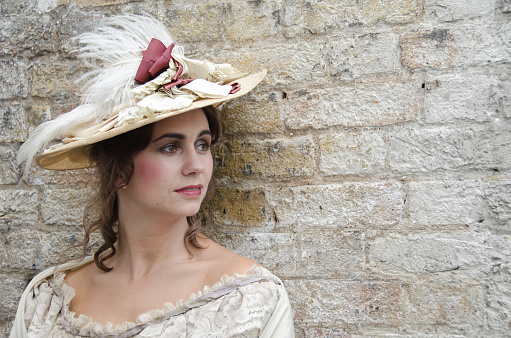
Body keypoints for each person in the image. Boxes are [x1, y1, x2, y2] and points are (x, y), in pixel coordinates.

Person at [11, 14, 294, 337]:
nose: (196, 165)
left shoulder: (250, 299)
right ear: (119, 170)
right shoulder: (47, 300)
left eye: (202, 144)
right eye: (170, 147)